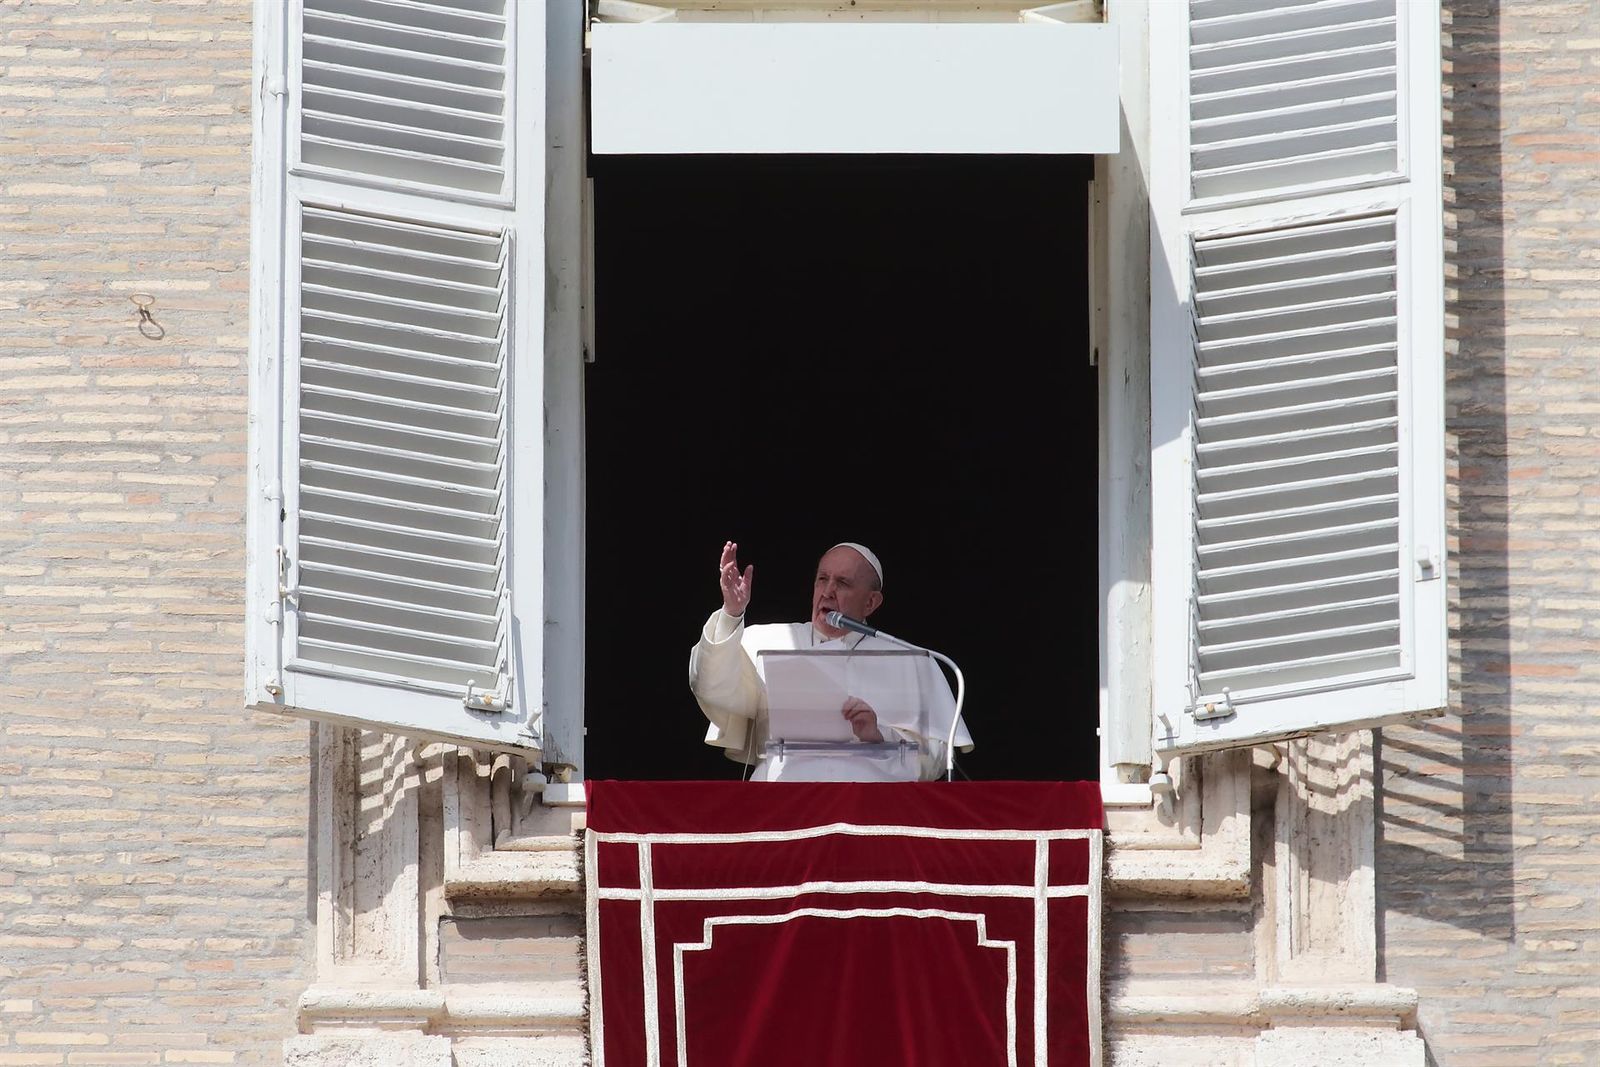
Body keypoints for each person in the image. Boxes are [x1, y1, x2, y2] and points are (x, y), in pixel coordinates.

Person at [688, 541, 973, 781]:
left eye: (843, 583)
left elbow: (936, 758)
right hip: (782, 801)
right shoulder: (768, 641)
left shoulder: (910, 660)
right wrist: (731, 614)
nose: (827, 592)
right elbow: (712, 687)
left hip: (872, 809)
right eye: (822, 579)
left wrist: (879, 735)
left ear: (871, 603)